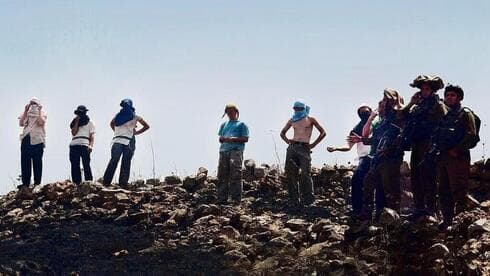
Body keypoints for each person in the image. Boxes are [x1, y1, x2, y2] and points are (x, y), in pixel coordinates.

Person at [400, 75, 447, 219]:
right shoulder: (417, 106)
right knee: (416, 176)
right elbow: (401, 117)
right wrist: (410, 103)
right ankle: (419, 208)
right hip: (417, 143)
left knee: (428, 176)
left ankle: (431, 208)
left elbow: (444, 124)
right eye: (422, 89)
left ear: (432, 90)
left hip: (429, 144)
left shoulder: (438, 105)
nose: (424, 91)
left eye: (427, 89)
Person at [432, 85, 477, 229]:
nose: (449, 97)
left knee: (458, 189)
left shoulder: (465, 113)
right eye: (447, 95)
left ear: (459, 98)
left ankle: (461, 221)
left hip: (457, 157)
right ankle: (447, 220)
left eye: (453, 95)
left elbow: (472, 136)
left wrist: (456, 149)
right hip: (443, 158)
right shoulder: (445, 116)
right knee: (443, 190)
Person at [327, 104, 383, 217]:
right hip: (364, 158)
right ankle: (358, 209)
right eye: (362, 113)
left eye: (367, 112)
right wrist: (336, 148)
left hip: (378, 156)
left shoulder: (378, 124)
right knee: (357, 181)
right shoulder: (356, 129)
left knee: (378, 183)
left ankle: (380, 211)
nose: (365, 115)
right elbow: (348, 146)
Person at [356, 89, 404, 221]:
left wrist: (390, 149)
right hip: (378, 157)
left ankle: (394, 216)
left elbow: (401, 136)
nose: (382, 104)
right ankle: (371, 213)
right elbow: (377, 138)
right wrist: (365, 140)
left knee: (390, 187)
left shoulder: (398, 116)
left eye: (385, 100)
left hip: (391, 157)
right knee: (369, 182)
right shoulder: (384, 121)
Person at [280, 99, 326, 208]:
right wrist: (288, 141)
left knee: (305, 173)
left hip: (304, 147)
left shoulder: (310, 119)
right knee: (291, 173)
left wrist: (313, 144)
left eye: (299, 108)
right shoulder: (292, 120)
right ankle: (294, 199)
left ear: (304, 108)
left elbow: (323, 132)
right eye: (295, 108)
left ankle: (309, 200)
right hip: (293, 147)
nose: (297, 110)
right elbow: (282, 133)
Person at [103, 99, 150, 187]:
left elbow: (111, 123)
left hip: (117, 140)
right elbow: (146, 126)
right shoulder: (136, 116)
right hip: (129, 140)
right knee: (126, 162)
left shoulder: (117, 116)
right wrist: (136, 133)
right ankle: (123, 183)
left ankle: (106, 182)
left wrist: (116, 132)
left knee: (114, 160)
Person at [217, 103, 250, 205]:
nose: (230, 114)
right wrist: (223, 139)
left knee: (235, 174)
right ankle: (222, 199)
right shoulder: (224, 125)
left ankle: (236, 200)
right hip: (224, 151)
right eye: (228, 112)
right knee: (223, 175)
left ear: (236, 112)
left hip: (236, 151)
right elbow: (220, 138)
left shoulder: (242, 124)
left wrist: (231, 139)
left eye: (232, 112)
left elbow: (245, 139)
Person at [18, 98, 47, 189]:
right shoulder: (26, 113)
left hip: (38, 139)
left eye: (35, 103)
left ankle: (37, 183)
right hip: (26, 138)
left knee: (37, 161)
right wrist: (26, 110)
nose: (33, 105)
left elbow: (41, 122)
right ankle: (25, 184)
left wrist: (39, 110)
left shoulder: (42, 113)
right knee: (25, 161)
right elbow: (21, 123)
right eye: (31, 103)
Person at [69, 105, 95, 185]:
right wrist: (77, 121)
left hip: (85, 144)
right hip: (74, 144)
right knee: (74, 164)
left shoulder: (90, 123)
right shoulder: (74, 122)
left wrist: (91, 145)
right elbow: (74, 133)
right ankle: (76, 183)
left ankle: (88, 181)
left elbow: (92, 135)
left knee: (86, 163)